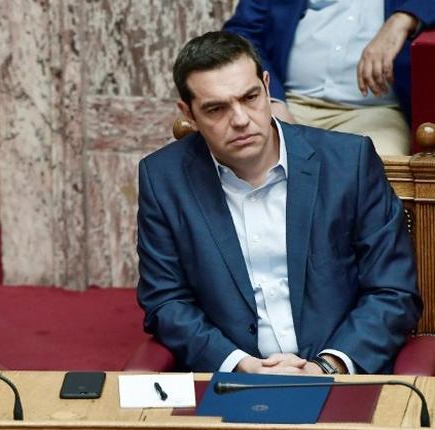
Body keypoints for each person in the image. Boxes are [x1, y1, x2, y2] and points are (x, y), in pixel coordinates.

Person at [137, 31, 421, 375]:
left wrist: (325, 367)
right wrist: (241, 365)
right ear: (189, 113)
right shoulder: (163, 178)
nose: (240, 119)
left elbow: (393, 290)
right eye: (216, 108)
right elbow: (166, 301)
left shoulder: (349, 162)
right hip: (232, 381)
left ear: (267, 86)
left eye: (250, 97)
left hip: (340, 376)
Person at [223, 0, 435, 155]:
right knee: (248, 159)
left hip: (374, 112)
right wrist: (272, 99)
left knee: (375, 171)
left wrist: (403, 19)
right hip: (292, 102)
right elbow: (242, 32)